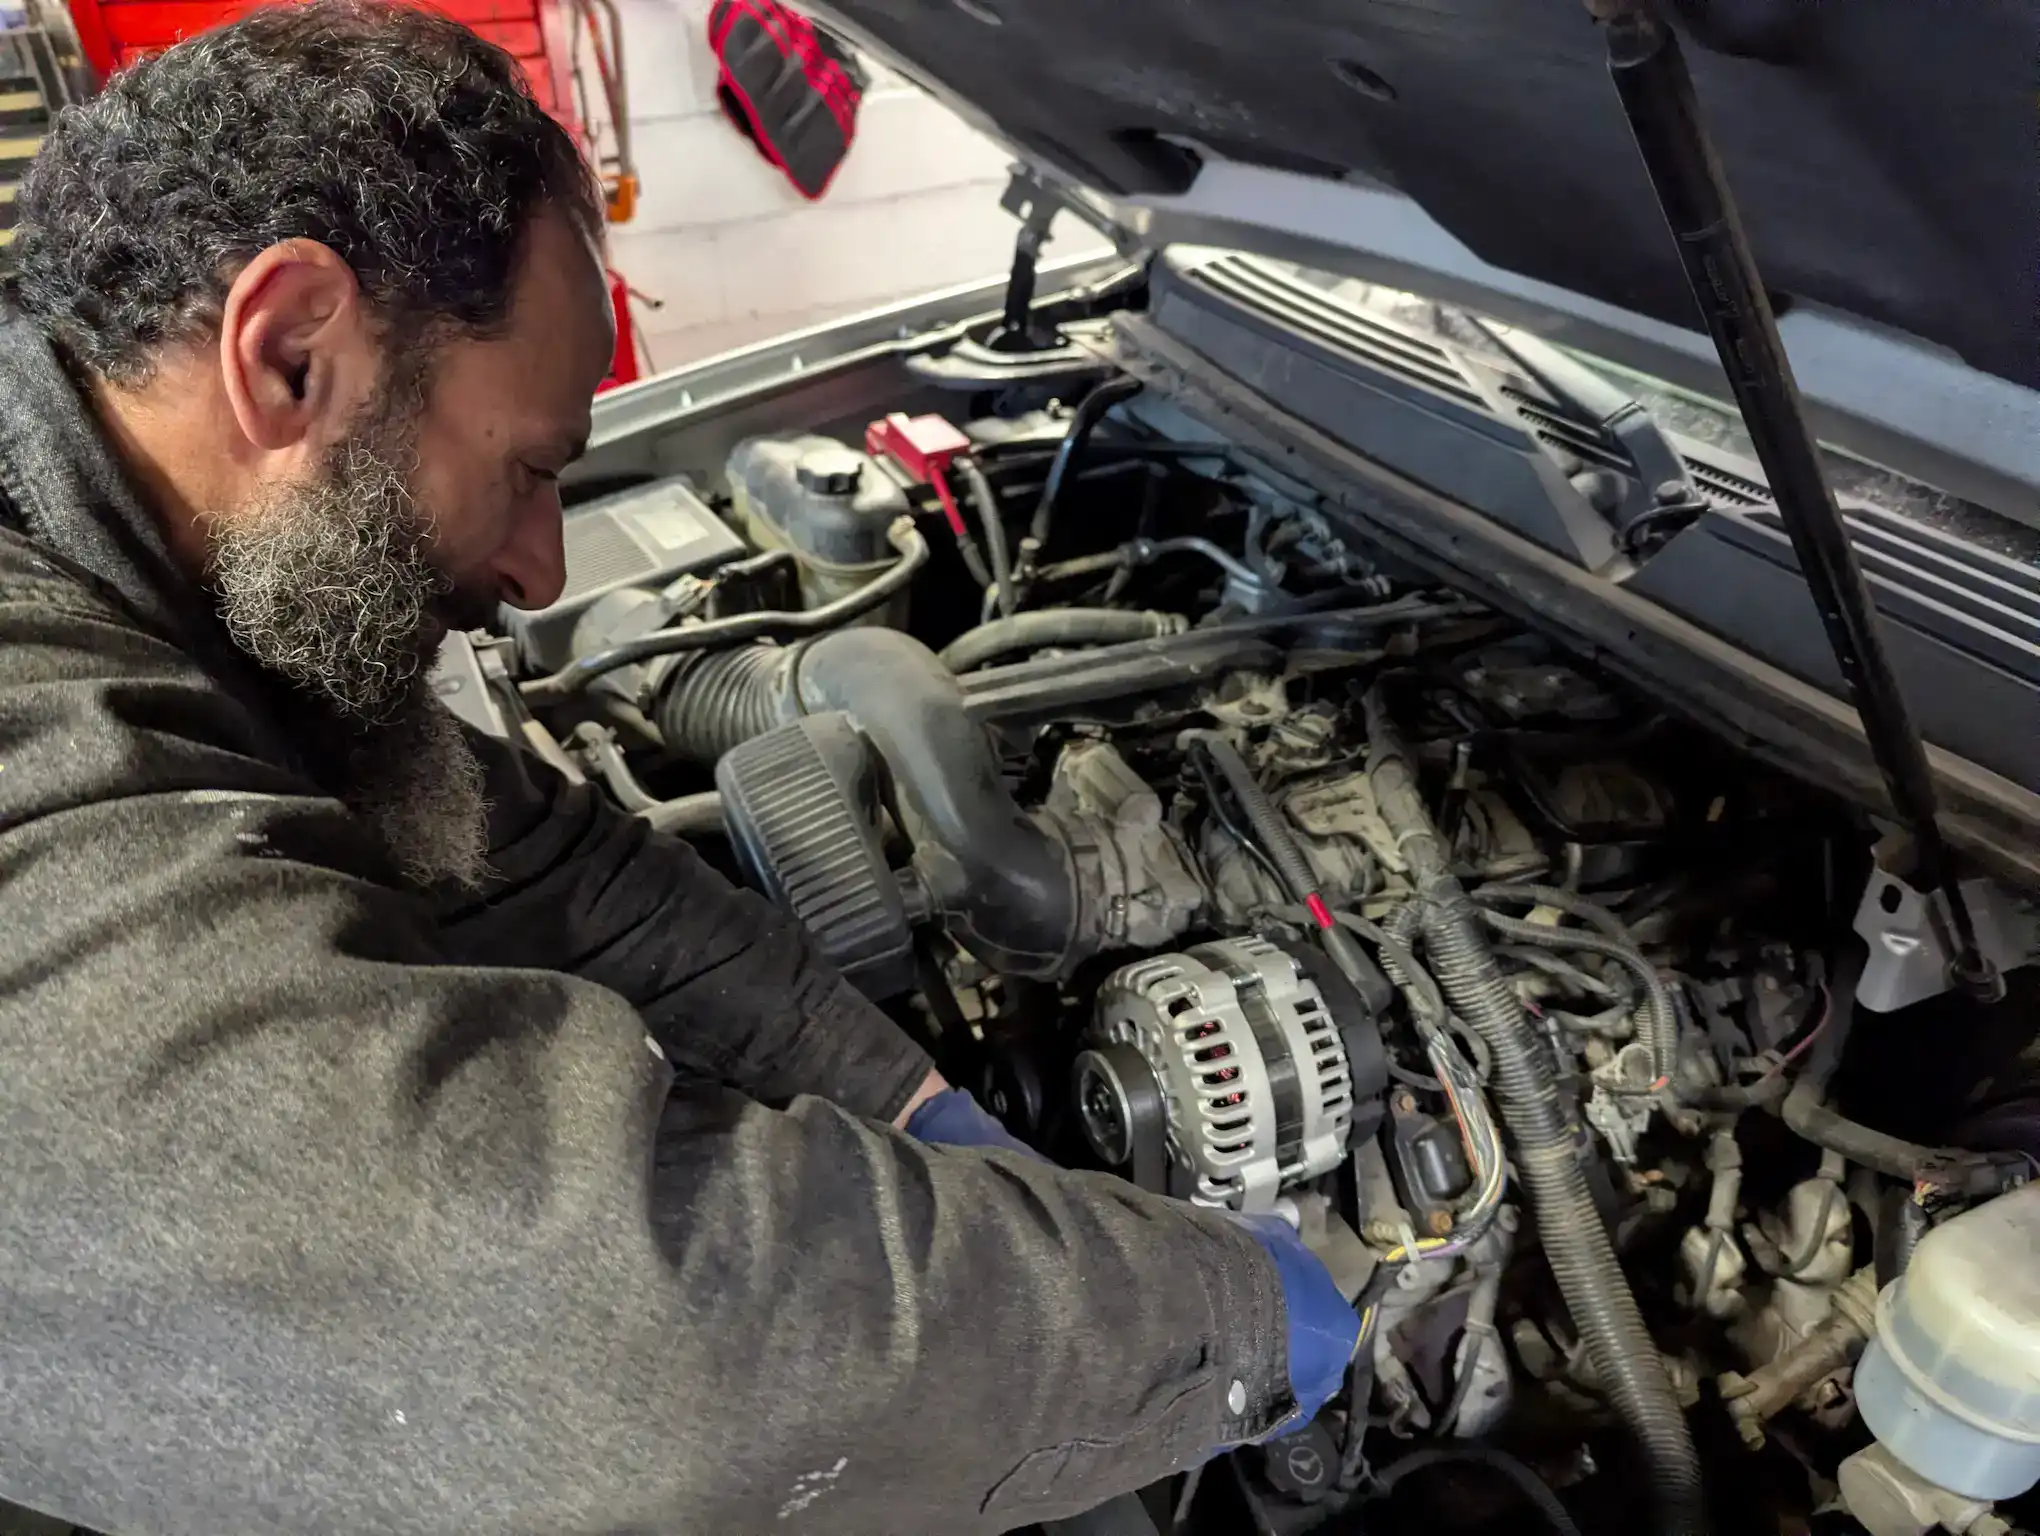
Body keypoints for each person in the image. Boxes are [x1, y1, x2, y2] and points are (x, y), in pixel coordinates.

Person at [0, 5, 1360, 1532]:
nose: (538, 566)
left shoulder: (149, 577)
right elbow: (628, 1344)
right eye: (529, 468)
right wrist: (1224, 1323)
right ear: (292, 352)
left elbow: (531, 858)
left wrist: (904, 1098)